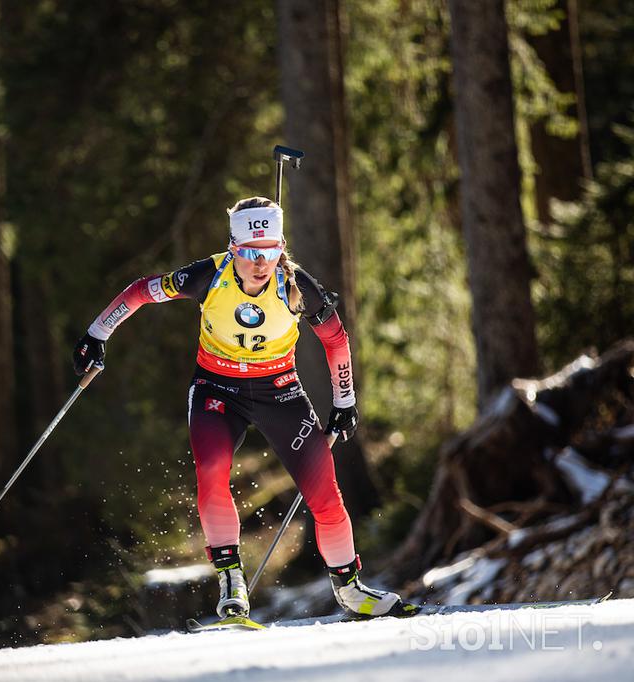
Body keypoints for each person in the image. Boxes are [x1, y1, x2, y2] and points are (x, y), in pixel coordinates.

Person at [72, 196, 408, 620]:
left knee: (325, 492)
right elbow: (142, 292)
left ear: (281, 248)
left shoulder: (296, 285)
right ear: (233, 249)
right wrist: (96, 334)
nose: (260, 263)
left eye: (270, 252)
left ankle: (350, 589)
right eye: (250, 253)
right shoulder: (207, 275)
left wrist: (344, 402)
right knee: (211, 473)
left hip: (279, 391)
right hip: (217, 388)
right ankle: (231, 582)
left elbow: (336, 340)